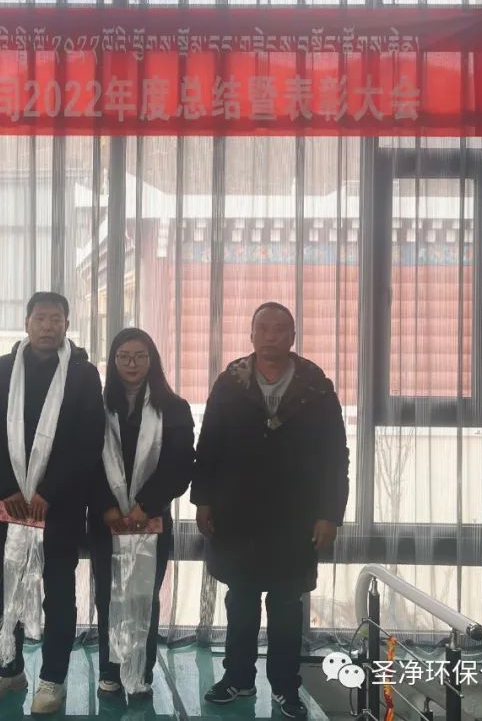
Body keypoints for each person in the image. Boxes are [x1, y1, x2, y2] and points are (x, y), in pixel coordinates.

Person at [194, 302, 349, 720]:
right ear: (251, 334)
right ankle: (238, 678)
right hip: (236, 513)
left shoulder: (315, 385)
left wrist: (329, 513)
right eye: (263, 328)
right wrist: (203, 499)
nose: (271, 336)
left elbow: (336, 455)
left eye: (280, 329)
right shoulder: (231, 381)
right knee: (241, 601)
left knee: (286, 605)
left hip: (295, 517)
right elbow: (208, 444)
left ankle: (285, 687)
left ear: (292, 337)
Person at [0, 292, 105, 715]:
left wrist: (49, 491)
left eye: (56, 319)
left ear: (67, 324)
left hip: (59, 508)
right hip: (9, 505)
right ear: (26, 322)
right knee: (2, 590)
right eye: (41, 318)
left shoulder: (83, 374)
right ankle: (7, 669)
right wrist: (7, 486)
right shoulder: (2, 369)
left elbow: (88, 441)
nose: (48, 326)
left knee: (59, 595)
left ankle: (53, 679)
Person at [88, 328, 194, 700]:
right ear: (113, 362)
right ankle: (111, 670)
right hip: (106, 521)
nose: (131, 364)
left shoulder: (174, 407)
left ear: (152, 360)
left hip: (152, 519)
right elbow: (85, 461)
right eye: (123, 356)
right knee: (109, 595)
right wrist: (106, 507)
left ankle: (141, 671)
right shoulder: (98, 407)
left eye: (139, 356)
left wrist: (143, 505)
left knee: (144, 595)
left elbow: (181, 465)